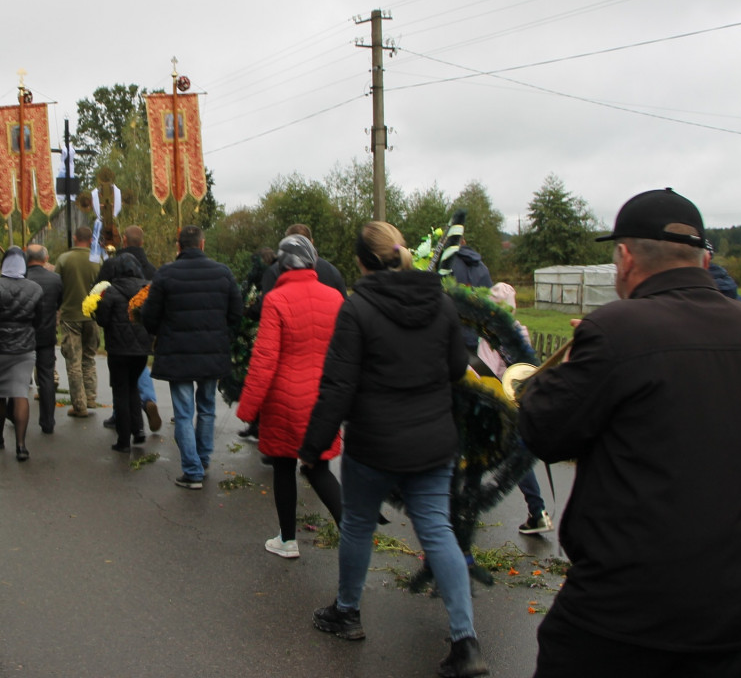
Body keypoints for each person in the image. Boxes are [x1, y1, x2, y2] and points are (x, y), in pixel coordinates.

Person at [519, 188, 741, 678]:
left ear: (625, 256)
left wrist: (568, 367)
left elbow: (543, 431)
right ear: (702, 258)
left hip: (624, 612)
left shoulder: (617, 327)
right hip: (728, 607)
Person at [299, 221, 488, 678]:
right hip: (433, 445)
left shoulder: (358, 308)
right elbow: (455, 367)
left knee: (359, 526)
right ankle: (466, 643)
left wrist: (313, 446)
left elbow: (338, 385)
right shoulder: (439, 302)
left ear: (362, 262)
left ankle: (348, 613)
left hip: (374, 445)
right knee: (438, 531)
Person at [234, 235, 344, 558]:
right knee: (318, 468)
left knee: (283, 466)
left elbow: (265, 358)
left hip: (285, 399)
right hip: (322, 397)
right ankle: (352, 530)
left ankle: (287, 539)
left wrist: (249, 407)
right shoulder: (335, 298)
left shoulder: (277, 299)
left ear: (283, 264)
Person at [142, 225, 243, 490]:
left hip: (178, 354)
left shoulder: (165, 273)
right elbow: (236, 313)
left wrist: (161, 333)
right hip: (212, 352)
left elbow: (150, 316)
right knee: (207, 407)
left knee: (184, 413)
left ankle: (192, 470)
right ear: (202, 244)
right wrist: (222, 336)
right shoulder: (223, 273)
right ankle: (203, 458)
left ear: (179, 246)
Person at [240, 223, 347, 442]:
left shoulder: (275, 276)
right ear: (312, 244)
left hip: (285, 384)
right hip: (325, 378)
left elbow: (266, 355)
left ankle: (260, 430)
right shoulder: (332, 273)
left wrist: (248, 408)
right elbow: (346, 324)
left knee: (283, 458)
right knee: (318, 461)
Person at [474, 282, 553, 536]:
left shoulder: (489, 337)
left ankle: (465, 509)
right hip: (518, 400)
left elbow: (482, 372)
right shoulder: (521, 332)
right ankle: (537, 510)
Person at [0, 247, 43, 462]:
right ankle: (21, 446)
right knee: (20, 394)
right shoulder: (35, 289)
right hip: (24, 350)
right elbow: (39, 321)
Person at [98, 225, 161, 433]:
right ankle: (144, 412)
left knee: (121, 385)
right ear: (142, 242)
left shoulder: (112, 266)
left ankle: (122, 425)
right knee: (136, 375)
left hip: (117, 339)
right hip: (142, 337)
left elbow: (98, 292)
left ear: (124, 240)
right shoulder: (152, 270)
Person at [95, 253, 154, 453]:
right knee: (133, 387)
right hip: (141, 350)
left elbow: (102, 320)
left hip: (118, 349)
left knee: (121, 391)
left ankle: (123, 440)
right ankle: (138, 430)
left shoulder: (110, 291)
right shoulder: (148, 290)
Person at [55, 226, 102, 418]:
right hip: (92, 316)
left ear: (75, 238)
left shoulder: (64, 260)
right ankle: (91, 396)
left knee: (73, 362)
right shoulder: (97, 260)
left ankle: (79, 404)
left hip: (70, 316)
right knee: (89, 358)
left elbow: (57, 286)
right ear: (91, 240)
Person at [24, 245, 64, 434]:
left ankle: (15, 414)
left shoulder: (22, 278)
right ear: (45, 258)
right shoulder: (55, 279)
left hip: (24, 335)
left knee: (21, 377)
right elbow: (59, 303)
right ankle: (48, 422)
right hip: (47, 334)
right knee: (46, 377)